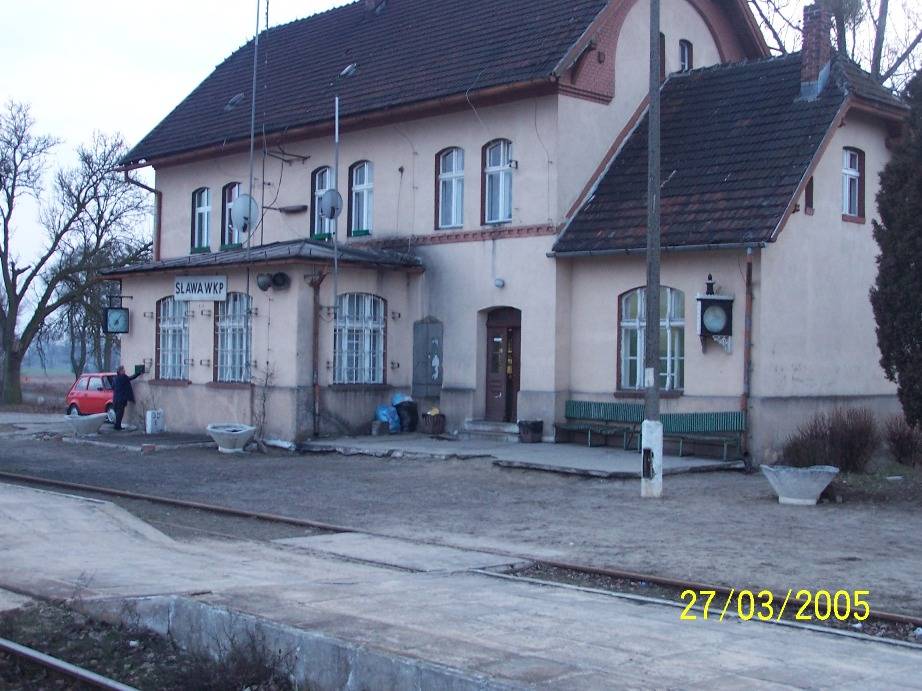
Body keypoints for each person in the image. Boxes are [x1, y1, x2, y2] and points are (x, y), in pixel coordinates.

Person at [112, 365, 143, 431]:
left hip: (115, 398)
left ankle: (117, 425)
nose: (124, 371)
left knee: (117, 412)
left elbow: (113, 387)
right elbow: (131, 378)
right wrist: (138, 373)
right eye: (123, 370)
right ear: (120, 371)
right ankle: (118, 426)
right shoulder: (123, 377)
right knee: (120, 413)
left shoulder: (115, 378)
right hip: (121, 399)